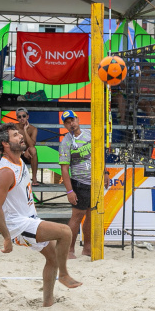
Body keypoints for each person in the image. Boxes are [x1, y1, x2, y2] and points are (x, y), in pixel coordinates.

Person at [0, 123, 81, 306]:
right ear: (6, 145)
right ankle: (63, 275)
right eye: (15, 135)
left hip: (29, 220)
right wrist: (7, 237)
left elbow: (28, 146)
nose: (20, 136)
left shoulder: (19, 160)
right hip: (18, 226)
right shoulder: (5, 171)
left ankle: (48, 302)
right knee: (65, 232)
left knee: (53, 258)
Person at [60, 110, 104, 259]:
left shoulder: (90, 134)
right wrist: (69, 191)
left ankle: (87, 248)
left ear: (78, 119)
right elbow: (64, 169)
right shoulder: (66, 142)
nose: (71, 123)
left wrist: (105, 172)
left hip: (95, 181)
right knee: (77, 217)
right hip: (80, 183)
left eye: (72, 120)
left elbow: (100, 154)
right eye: (67, 122)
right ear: (65, 125)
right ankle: (69, 250)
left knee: (91, 216)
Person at [16, 109, 40, 184]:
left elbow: (31, 145)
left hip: (28, 154)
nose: (22, 118)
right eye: (19, 117)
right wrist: (22, 152)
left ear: (27, 117)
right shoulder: (14, 128)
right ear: (17, 118)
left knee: (33, 150)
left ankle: (34, 177)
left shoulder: (33, 129)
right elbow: (12, 145)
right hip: (17, 153)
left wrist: (25, 131)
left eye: (24, 116)